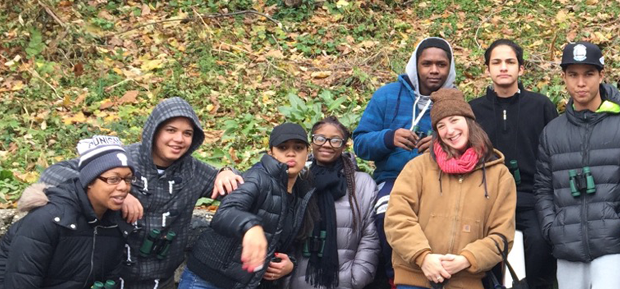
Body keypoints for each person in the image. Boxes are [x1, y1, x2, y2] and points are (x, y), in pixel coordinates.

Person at [17, 97, 243, 289]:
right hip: (112, 276)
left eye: (187, 133)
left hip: (161, 279)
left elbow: (248, 190)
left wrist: (226, 171)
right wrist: (118, 191)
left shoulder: (194, 171)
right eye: (171, 130)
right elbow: (54, 173)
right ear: (154, 130)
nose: (178, 139)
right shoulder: (122, 159)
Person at [534, 41, 620, 289]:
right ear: (564, 78)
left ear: (601, 75)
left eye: (588, 74)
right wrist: (552, 227)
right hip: (567, 247)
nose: (580, 83)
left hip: (613, 245)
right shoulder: (551, 132)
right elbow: (543, 188)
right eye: (573, 75)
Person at [383, 88, 516, 289]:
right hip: (415, 278)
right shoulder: (417, 168)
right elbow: (397, 218)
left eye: (454, 120)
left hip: (466, 281)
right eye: (441, 126)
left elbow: (502, 235)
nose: (449, 131)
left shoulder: (499, 176)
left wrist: (466, 259)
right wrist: (423, 257)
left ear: (469, 122)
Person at [352, 37, 457, 288]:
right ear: (415, 65)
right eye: (427, 64)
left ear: (449, 67)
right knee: (387, 215)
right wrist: (389, 137)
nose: (434, 70)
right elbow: (360, 143)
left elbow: (470, 144)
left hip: (441, 178)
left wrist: (441, 145)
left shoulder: (453, 100)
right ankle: (394, 277)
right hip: (394, 178)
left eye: (441, 64)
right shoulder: (387, 95)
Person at [467, 39, 560, 288]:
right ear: (487, 69)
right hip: (488, 197)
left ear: (521, 69)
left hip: (533, 195)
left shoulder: (541, 106)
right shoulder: (473, 111)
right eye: (496, 62)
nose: (503, 67)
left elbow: (556, 153)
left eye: (510, 62)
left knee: (542, 242)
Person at [181, 123, 316, 289]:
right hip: (208, 280)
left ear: (307, 152)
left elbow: (284, 239)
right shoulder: (257, 177)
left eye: (298, 147)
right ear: (271, 153)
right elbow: (226, 211)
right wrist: (251, 227)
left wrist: (290, 264)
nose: (291, 153)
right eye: (283, 147)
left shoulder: (301, 192)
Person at [0, 136, 134, 288]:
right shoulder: (47, 220)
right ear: (89, 181)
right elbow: (20, 282)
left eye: (128, 179)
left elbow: (111, 279)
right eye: (113, 179)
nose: (124, 187)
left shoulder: (115, 224)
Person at [286, 116, 379, 289]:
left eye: (335, 140)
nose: (327, 144)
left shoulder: (362, 183)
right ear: (311, 142)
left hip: (343, 280)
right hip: (297, 278)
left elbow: (370, 235)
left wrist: (357, 276)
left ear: (344, 146)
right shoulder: (297, 177)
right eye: (320, 138)